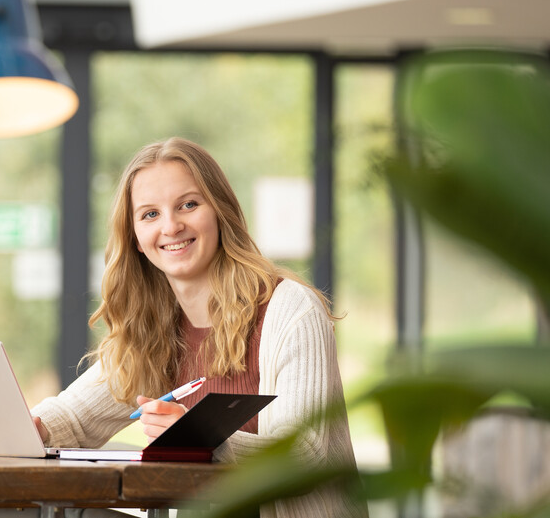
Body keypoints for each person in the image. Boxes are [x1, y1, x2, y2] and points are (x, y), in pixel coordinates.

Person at [31, 137, 365, 518]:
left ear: (220, 212)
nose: (171, 226)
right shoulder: (151, 326)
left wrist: (198, 438)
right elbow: (72, 419)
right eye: (150, 214)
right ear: (137, 239)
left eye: (188, 204)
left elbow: (307, 453)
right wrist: (32, 427)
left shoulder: (289, 309)